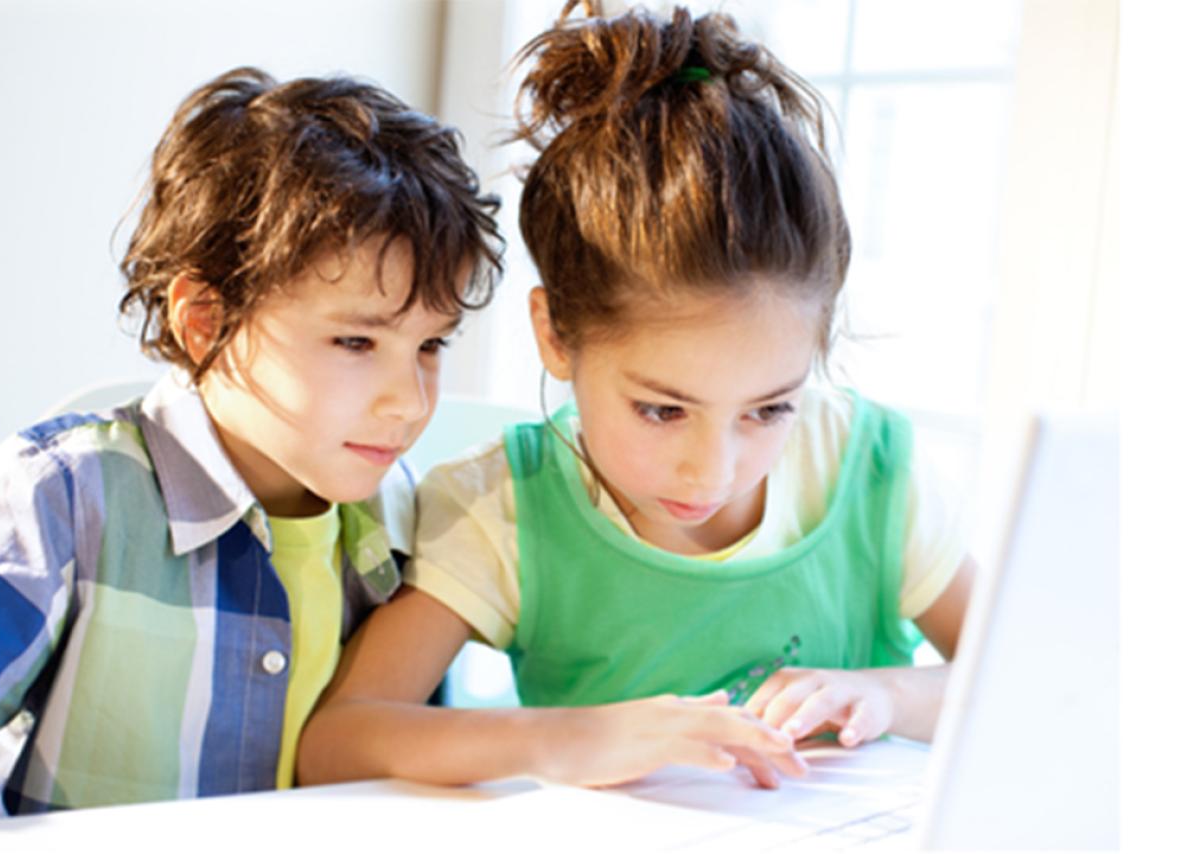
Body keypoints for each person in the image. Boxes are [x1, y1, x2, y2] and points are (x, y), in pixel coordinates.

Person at [298, 1, 974, 791]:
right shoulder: (505, 508)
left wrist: (889, 694)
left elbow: (1035, 675)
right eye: (662, 410)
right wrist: (563, 740)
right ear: (555, 334)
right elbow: (337, 743)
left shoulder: (868, 468)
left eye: (769, 409)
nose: (711, 474)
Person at [0, 67, 503, 813]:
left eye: (431, 346)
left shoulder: (405, 526)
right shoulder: (61, 497)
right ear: (204, 321)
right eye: (357, 341)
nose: (411, 401)